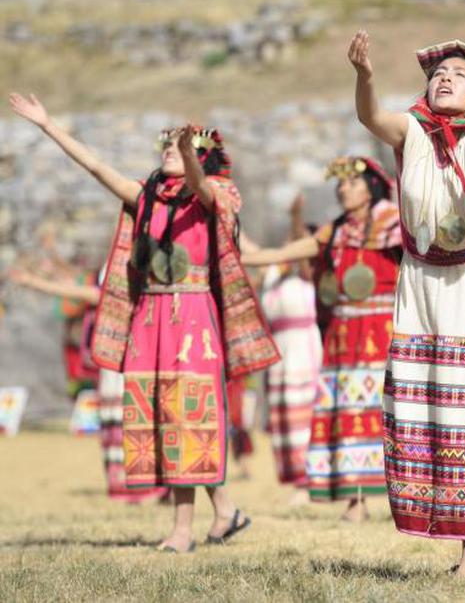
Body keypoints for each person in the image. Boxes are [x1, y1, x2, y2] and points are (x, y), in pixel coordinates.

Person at [9, 92, 280, 553]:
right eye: (166, 146)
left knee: (188, 418)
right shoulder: (146, 198)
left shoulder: (214, 196)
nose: (168, 150)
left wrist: (190, 155)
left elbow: (201, 186)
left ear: (201, 157)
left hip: (192, 319)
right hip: (150, 319)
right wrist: (47, 124)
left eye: (180, 146)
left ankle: (181, 531)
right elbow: (97, 168)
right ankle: (225, 511)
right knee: (163, 419)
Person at [348, 30, 465, 575]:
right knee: (429, 414)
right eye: (438, 73)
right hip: (421, 286)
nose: (443, 79)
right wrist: (364, 75)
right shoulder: (412, 131)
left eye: (458, 74)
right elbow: (370, 116)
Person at [242, 156, 400, 522]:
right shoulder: (335, 233)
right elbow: (278, 254)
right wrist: (228, 238)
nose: (344, 189)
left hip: (384, 331)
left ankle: (406, 497)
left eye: (352, 183)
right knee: (347, 415)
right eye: (340, 184)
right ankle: (355, 501)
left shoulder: (395, 225)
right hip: (344, 338)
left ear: (372, 188)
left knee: (391, 413)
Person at [8, 267, 168, 504]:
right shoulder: (111, 265)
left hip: (129, 355)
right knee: (115, 421)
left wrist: (35, 281)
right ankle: (128, 485)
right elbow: (84, 287)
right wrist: (42, 276)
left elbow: (92, 294)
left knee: (130, 419)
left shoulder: (131, 266)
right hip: (115, 355)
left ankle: (145, 487)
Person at [253, 195, 323, 499]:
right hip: (279, 352)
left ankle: (310, 479)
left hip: (304, 350)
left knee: (305, 418)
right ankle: (296, 479)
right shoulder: (273, 271)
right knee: (284, 420)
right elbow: (247, 250)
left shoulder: (309, 271)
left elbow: (300, 246)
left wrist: (296, 217)